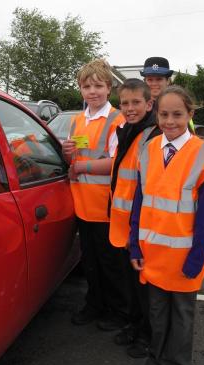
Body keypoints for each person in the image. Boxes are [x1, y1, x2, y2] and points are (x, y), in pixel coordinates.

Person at [130, 86, 204, 365]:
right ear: (156, 115)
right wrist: (134, 243)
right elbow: (139, 202)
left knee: (182, 316)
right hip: (153, 255)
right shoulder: (148, 150)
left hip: (186, 256)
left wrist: (197, 256)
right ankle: (156, 359)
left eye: (177, 114)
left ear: (190, 115)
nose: (170, 121)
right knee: (157, 315)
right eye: (164, 114)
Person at [62, 59, 130, 330]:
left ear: (109, 88)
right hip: (81, 204)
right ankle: (94, 305)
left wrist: (78, 165)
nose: (92, 91)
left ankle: (118, 312)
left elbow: (118, 163)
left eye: (98, 86)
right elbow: (75, 157)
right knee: (90, 262)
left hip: (105, 206)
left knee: (110, 264)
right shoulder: (78, 121)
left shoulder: (117, 119)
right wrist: (69, 156)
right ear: (80, 89)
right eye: (86, 86)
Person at [109, 78, 161, 357]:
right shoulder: (127, 129)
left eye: (136, 103)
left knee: (144, 286)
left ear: (149, 103)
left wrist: (137, 226)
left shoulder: (153, 135)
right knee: (130, 282)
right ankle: (134, 324)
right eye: (125, 103)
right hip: (122, 220)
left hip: (141, 223)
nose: (129, 108)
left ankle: (147, 335)